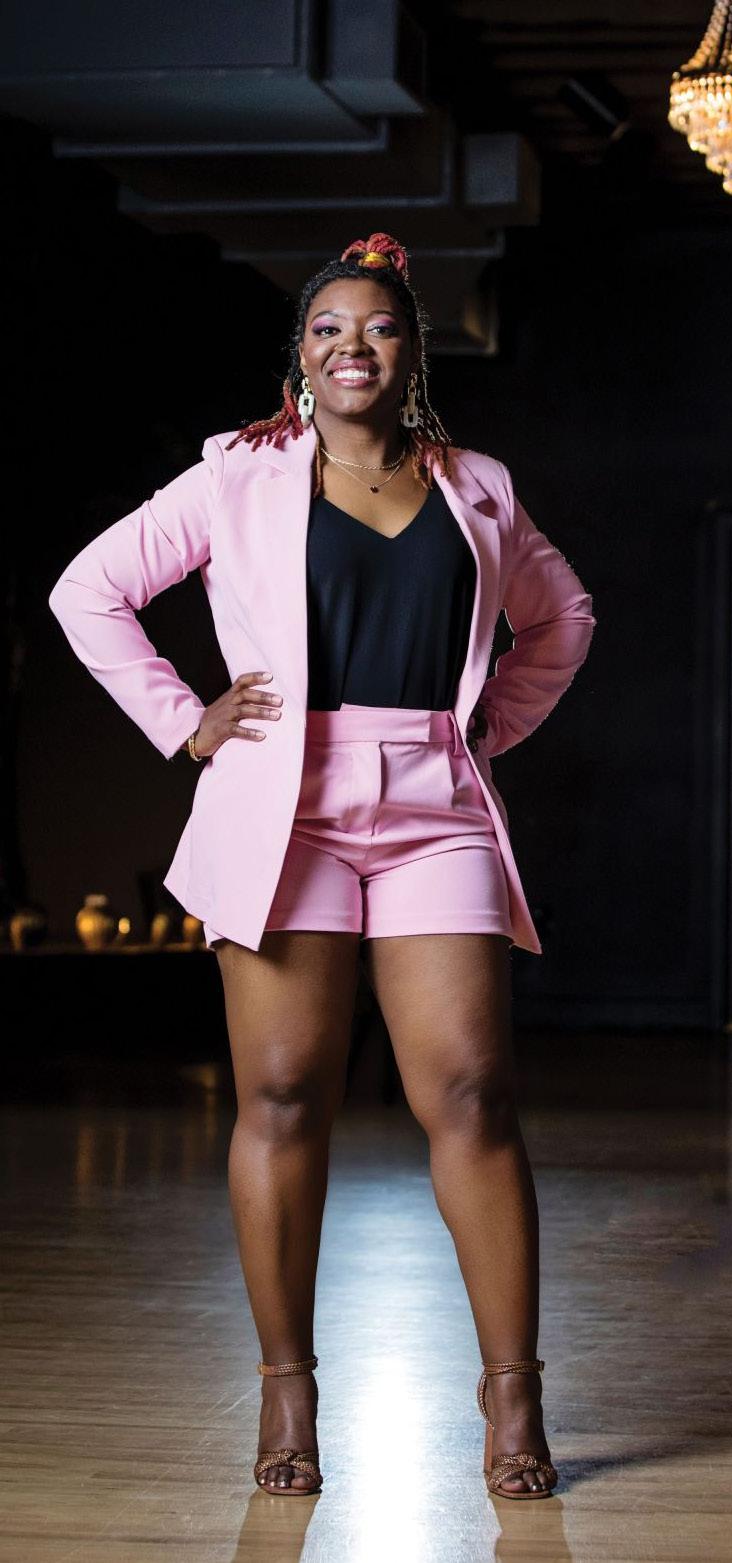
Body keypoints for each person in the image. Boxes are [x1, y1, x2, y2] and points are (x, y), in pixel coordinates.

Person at [48, 230, 596, 1499]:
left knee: (471, 1093)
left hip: (434, 805)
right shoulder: (236, 476)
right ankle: (288, 1389)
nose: (355, 345)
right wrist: (183, 721)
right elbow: (89, 592)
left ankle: (513, 1396)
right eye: (328, 327)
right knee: (286, 1093)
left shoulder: (477, 486)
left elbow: (562, 616)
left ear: (412, 355)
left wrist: (487, 726)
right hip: (280, 805)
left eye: (382, 326)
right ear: (299, 356)